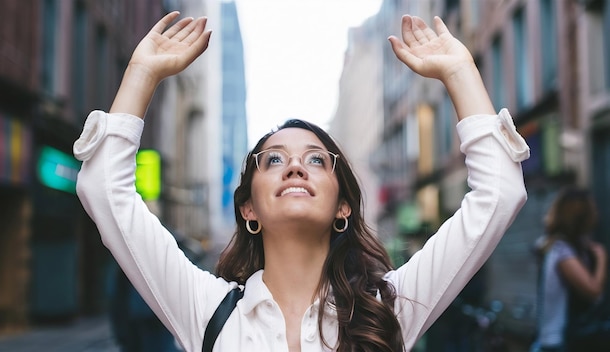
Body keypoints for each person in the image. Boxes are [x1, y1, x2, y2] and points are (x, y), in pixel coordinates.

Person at [72, 11, 529, 352]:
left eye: (316, 159)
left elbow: (499, 194)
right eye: (272, 160)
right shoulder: (206, 308)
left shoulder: (386, 309)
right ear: (248, 207)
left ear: (342, 206)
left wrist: (460, 71)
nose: (294, 168)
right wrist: (142, 73)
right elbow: (104, 192)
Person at [532, 187, 608, 352]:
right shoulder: (562, 250)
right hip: (558, 341)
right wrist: (602, 257)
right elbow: (593, 290)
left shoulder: (567, 246)